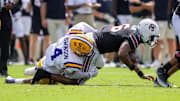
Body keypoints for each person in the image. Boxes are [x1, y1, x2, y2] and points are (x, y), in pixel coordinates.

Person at [27, 18, 160, 83]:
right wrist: (134, 69)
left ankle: (43, 69)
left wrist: (139, 72)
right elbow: (122, 54)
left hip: (93, 38)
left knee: (99, 66)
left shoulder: (133, 29)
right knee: (78, 81)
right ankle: (45, 74)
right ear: (146, 31)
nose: (153, 40)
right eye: (152, 36)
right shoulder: (135, 36)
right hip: (92, 47)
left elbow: (127, 51)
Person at [6, 33, 104, 85]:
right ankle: (15, 81)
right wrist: (90, 74)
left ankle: (35, 68)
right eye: (83, 51)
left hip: (45, 61)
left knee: (55, 63)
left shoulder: (67, 38)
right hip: (49, 69)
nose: (85, 54)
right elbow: (74, 76)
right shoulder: (72, 61)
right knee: (74, 82)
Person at [27, 0, 50, 64]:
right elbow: (28, 7)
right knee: (34, 38)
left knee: (47, 38)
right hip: (36, 17)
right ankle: (32, 59)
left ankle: (46, 58)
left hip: (47, 17)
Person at [0, 0, 13, 77]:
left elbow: (13, 3)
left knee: (5, 46)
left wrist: (11, 4)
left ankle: (3, 69)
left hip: (5, 16)